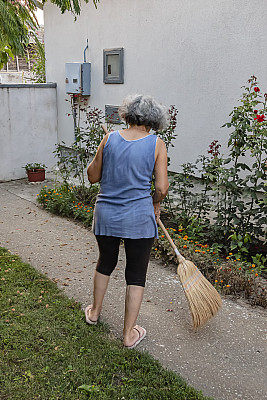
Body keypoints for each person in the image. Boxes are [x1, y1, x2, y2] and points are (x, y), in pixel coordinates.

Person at [86, 94, 169, 349]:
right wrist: (155, 202)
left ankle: (95, 312)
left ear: (128, 115)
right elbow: (162, 187)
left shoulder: (110, 138)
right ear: (154, 120)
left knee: (106, 261)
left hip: (106, 215)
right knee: (136, 273)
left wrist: (103, 148)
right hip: (139, 218)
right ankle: (128, 334)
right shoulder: (157, 144)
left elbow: (92, 176)